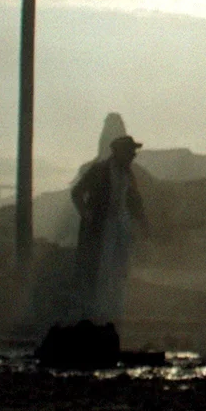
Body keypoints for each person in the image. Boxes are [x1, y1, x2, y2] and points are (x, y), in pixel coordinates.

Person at [71, 135, 149, 324]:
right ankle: (98, 314)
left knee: (120, 269)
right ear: (119, 152)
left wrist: (143, 222)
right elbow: (77, 192)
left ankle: (115, 313)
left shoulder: (128, 174)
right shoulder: (100, 170)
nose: (133, 155)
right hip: (103, 227)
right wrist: (86, 215)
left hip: (121, 227)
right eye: (130, 151)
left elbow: (134, 200)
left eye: (133, 152)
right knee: (102, 269)